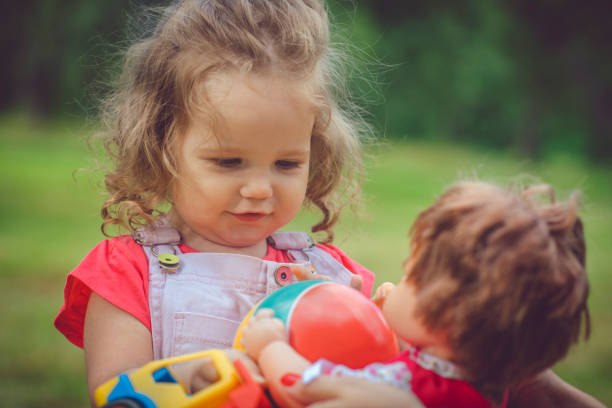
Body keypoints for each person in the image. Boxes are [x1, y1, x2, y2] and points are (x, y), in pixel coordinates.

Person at [54, 0, 376, 404]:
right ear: (161, 148)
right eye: (228, 161)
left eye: (287, 162)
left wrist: (362, 326)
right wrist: (197, 373)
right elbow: (116, 398)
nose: (259, 188)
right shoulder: (128, 274)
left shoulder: (329, 276)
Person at [241, 181, 605, 408]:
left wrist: (271, 346)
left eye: (409, 275)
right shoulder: (487, 384)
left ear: (444, 315)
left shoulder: (402, 390)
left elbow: (305, 387)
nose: (397, 284)